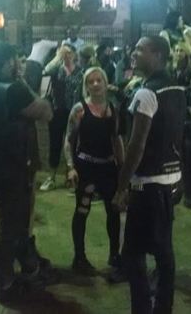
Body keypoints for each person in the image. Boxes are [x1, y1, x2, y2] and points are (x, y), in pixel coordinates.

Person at [0, 42, 55, 303]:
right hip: (16, 163)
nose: (19, 63)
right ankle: (4, 283)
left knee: (10, 220)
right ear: (9, 62)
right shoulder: (15, 89)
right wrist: (24, 82)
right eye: (16, 60)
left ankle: (24, 268)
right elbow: (46, 112)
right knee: (11, 226)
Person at [113, 35, 186, 314]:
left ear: (157, 55)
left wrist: (122, 186)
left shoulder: (147, 94)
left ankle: (143, 308)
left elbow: (136, 144)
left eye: (140, 49)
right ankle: (163, 307)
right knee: (164, 250)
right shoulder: (177, 88)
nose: (134, 52)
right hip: (169, 182)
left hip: (148, 185)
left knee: (132, 254)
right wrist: (181, 176)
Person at [63, 67, 126, 281]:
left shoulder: (113, 109)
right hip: (86, 168)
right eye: (91, 81)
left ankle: (115, 255)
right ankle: (79, 257)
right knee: (82, 210)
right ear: (86, 85)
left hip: (108, 168)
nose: (96, 84)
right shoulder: (79, 110)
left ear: (106, 82)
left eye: (100, 80)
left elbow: (116, 140)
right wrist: (71, 166)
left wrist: (123, 168)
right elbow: (69, 140)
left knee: (114, 210)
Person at [41, 43, 83, 191]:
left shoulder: (80, 72)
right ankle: (51, 177)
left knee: (73, 143)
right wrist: (58, 57)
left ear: (75, 54)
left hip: (74, 111)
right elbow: (44, 71)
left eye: (69, 53)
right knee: (55, 143)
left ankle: (70, 177)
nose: (67, 56)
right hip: (58, 111)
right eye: (64, 53)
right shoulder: (56, 70)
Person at [170, 41, 191, 116]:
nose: (178, 53)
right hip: (173, 92)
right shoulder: (170, 65)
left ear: (186, 52)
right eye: (176, 50)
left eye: (181, 50)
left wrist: (184, 88)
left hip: (188, 91)